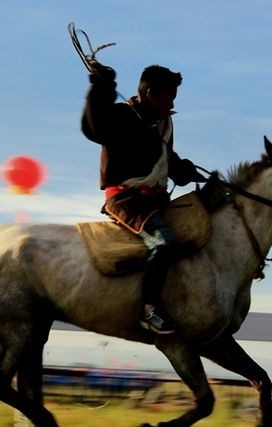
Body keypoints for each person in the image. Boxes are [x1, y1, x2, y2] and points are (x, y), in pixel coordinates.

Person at [81, 62, 205, 335]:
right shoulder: (123, 116)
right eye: (169, 96)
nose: (172, 102)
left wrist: (188, 172)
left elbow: (165, 159)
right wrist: (102, 87)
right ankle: (149, 311)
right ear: (150, 93)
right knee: (163, 243)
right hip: (127, 202)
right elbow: (94, 128)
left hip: (154, 202)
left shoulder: (161, 122)